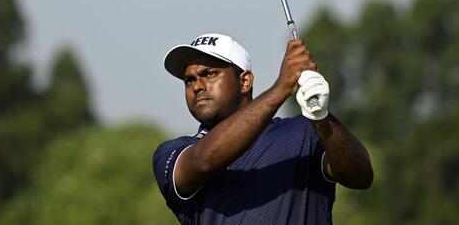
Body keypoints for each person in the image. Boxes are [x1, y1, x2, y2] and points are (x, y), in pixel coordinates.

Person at [153, 33, 373, 224]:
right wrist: (282, 87)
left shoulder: (303, 131)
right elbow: (204, 160)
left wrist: (321, 118)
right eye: (189, 80)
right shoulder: (175, 153)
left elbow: (360, 176)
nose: (197, 86)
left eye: (209, 74)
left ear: (245, 81)